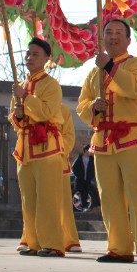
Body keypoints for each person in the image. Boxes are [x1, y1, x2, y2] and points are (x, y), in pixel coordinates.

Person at [76, 19, 137, 264]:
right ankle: (119, 248)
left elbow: (134, 88)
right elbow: (82, 105)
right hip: (102, 140)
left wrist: (110, 66)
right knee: (109, 196)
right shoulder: (93, 73)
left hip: (132, 137)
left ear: (128, 39)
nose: (113, 36)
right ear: (102, 39)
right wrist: (94, 107)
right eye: (108, 32)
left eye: (118, 32)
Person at [12, 38, 67, 257]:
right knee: (28, 199)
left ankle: (53, 244)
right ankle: (32, 242)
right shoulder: (20, 85)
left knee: (47, 198)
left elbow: (47, 112)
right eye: (28, 54)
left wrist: (26, 98)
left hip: (47, 148)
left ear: (46, 59)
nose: (30, 57)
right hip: (24, 148)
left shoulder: (51, 85)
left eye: (35, 54)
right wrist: (17, 115)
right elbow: (14, 118)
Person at [57, 104, 81, 253]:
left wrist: (52, 148)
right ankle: (32, 238)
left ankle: (69, 239)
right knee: (32, 201)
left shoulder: (63, 111)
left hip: (57, 162)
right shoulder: (26, 102)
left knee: (64, 203)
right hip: (32, 160)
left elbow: (69, 137)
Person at [71, 145, 95, 211]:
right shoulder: (79, 158)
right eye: (89, 151)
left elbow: (94, 169)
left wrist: (91, 176)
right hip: (80, 180)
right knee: (79, 191)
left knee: (86, 192)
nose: (90, 152)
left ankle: (85, 206)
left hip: (87, 180)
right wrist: (79, 175)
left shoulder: (92, 159)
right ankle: (79, 206)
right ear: (85, 151)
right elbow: (74, 167)